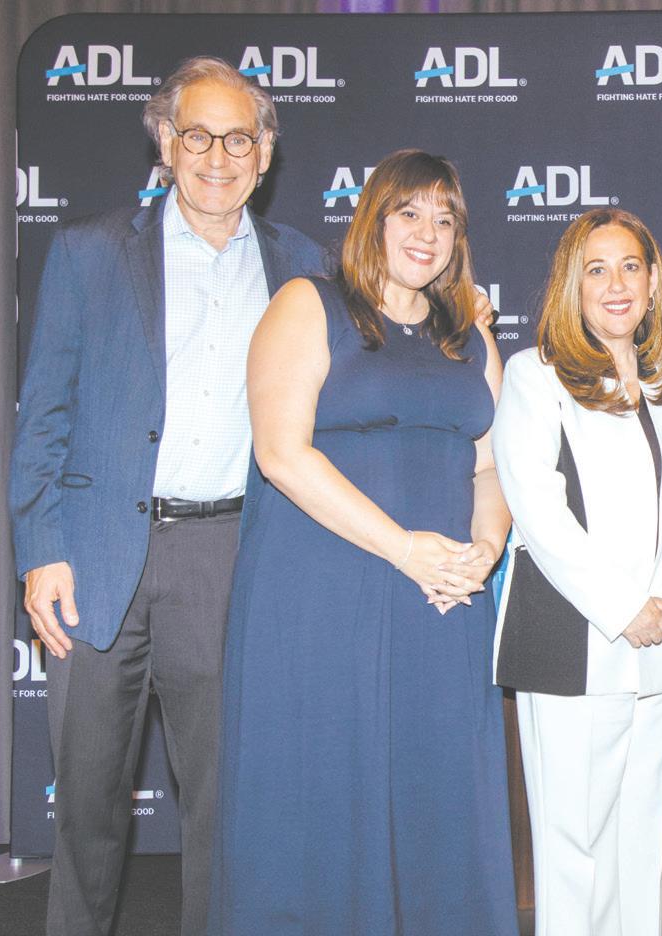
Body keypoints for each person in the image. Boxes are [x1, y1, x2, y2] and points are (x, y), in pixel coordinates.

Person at [7, 57, 323, 936]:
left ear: (265, 153)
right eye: (197, 136)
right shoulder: (87, 251)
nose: (217, 157)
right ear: (165, 142)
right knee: (86, 807)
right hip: (93, 557)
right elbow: (44, 414)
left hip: (229, 557)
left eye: (238, 139)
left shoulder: (304, 267)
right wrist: (41, 551)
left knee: (224, 809)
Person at [208, 150, 516, 935]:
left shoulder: (472, 339)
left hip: (443, 599)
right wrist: (404, 548)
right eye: (409, 212)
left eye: (445, 220)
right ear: (372, 217)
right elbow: (281, 454)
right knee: (315, 790)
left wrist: (483, 552)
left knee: (439, 790)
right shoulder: (307, 304)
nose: (428, 233)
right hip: (320, 594)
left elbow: (491, 467)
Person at [491, 207, 662, 936]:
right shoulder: (537, 377)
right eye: (596, 269)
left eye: (630, 266)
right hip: (571, 639)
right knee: (575, 845)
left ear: (654, 282)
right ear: (573, 285)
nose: (616, 284)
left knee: (637, 835)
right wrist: (624, 608)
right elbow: (538, 509)